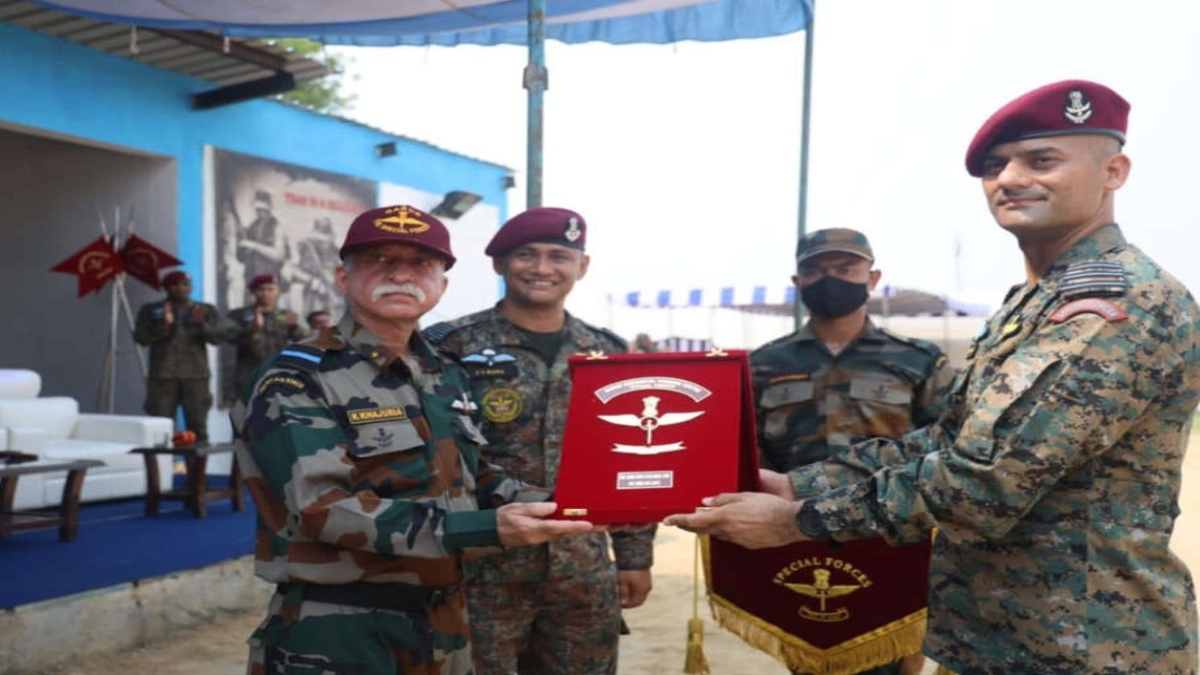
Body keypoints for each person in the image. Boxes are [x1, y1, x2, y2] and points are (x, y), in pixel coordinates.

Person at [667, 79, 1200, 674]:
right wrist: (800, 485)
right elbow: (947, 440)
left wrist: (799, 523)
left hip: (1089, 644)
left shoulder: (1116, 302)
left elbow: (990, 480)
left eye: (1042, 160)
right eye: (996, 166)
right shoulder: (1036, 300)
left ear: (1114, 172)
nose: (1011, 179)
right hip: (1008, 635)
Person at [229, 203, 599, 675]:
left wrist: (575, 505)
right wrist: (487, 528)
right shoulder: (296, 378)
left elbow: (480, 477)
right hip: (340, 630)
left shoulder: (443, 374)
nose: (402, 275)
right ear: (344, 277)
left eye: (421, 263)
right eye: (381, 259)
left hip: (445, 623)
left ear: (441, 285)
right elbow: (321, 509)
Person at [425, 207, 655, 675]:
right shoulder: (449, 347)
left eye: (559, 256)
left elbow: (628, 461)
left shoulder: (607, 352)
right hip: (479, 567)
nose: (542, 269)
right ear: (499, 264)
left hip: (582, 567)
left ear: (582, 267)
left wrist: (634, 556)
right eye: (526, 255)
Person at [751, 227, 954, 675]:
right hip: (795, 533)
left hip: (890, 535)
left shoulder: (917, 360)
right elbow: (751, 454)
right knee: (810, 655)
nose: (831, 279)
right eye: (816, 270)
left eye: (845, 269)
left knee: (891, 659)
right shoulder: (764, 363)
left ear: (873, 277)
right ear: (797, 281)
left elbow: (943, 446)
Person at [133, 270, 226, 445]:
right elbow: (141, 338)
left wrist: (202, 324)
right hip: (163, 377)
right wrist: (164, 326)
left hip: (195, 377)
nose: (181, 288)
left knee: (197, 429)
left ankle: (197, 472)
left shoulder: (205, 310)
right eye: (175, 284)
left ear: (191, 287)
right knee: (160, 429)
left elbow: (217, 338)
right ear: (166, 287)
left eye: (185, 285)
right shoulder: (151, 310)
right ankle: (162, 471)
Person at [225, 273, 305, 403]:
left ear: (278, 291)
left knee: (278, 416)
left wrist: (294, 327)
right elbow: (229, 337)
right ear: (253, 292)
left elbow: (304, 341)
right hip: (249, 374)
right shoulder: (239, 315)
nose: (266, 293)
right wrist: (254, 328)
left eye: (270, 289)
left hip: (278, 373)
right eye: (261, 289)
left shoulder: (286, 316)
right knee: (248, 417)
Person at [236, 189, 288, 302]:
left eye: (263, 210)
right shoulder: (251, 227)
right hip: (251, 280)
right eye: (258, 210)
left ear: (269, 208)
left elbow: (279, 255)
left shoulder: (277, 227)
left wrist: (254, 246)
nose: (260, 213)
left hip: (269, 281)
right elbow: (241, 258)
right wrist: (241, 245)